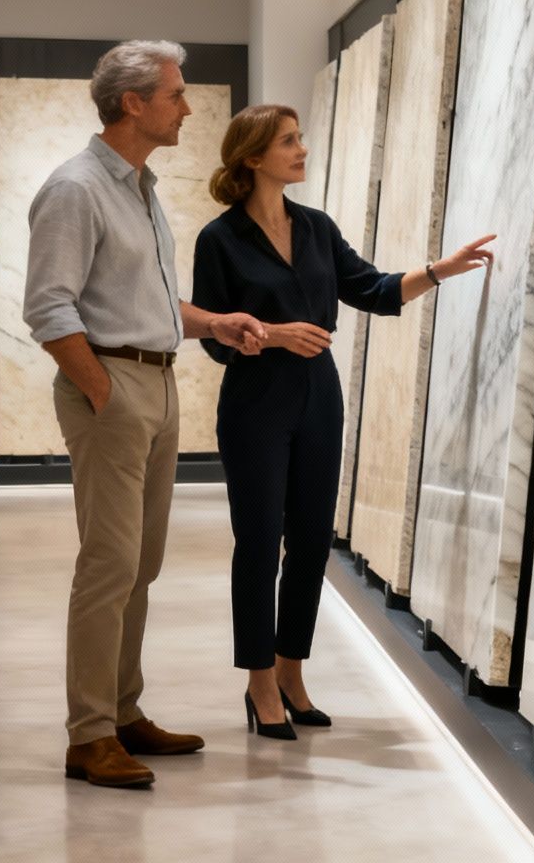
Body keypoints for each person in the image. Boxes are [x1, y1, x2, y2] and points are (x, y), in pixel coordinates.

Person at [192, 104, 494, 738]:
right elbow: (216, 340)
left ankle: (291, 670)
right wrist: (270, 335)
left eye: (300, 138)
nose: (302, 150)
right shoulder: (218, 240)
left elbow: (374, 289)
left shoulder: (317, 227)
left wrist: (440, 269)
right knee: (257, 545)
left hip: (319, 400)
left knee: (309, 543)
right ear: (253, 158)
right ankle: (257, 682)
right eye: (289, 142)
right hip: (255, 405)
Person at [24, 40, 268, 788]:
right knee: (109, 566)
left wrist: (213, 323)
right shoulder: (76, 189)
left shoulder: (138, 187)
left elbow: (151, 303)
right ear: (134, 103)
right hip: (116, 392)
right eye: (176, 94)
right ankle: (89, 734)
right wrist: (100, 390)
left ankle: (124, 713)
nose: (188, 108)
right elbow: (49, 307)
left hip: (156, 386)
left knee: (141, 566)